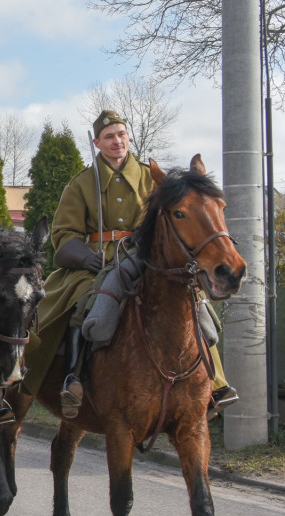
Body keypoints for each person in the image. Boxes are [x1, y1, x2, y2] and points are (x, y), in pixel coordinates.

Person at [20, 109, 237, 418]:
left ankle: (216, 382)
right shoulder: (81, 184)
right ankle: (73, 377)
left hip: (148, 257)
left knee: (194, 299)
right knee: (85, 302)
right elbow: (64, 235)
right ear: (98, 142)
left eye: (121, 134)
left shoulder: (154, 177)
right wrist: (85, 257)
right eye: (109, 137)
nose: (117, 141)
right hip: (98, 262)